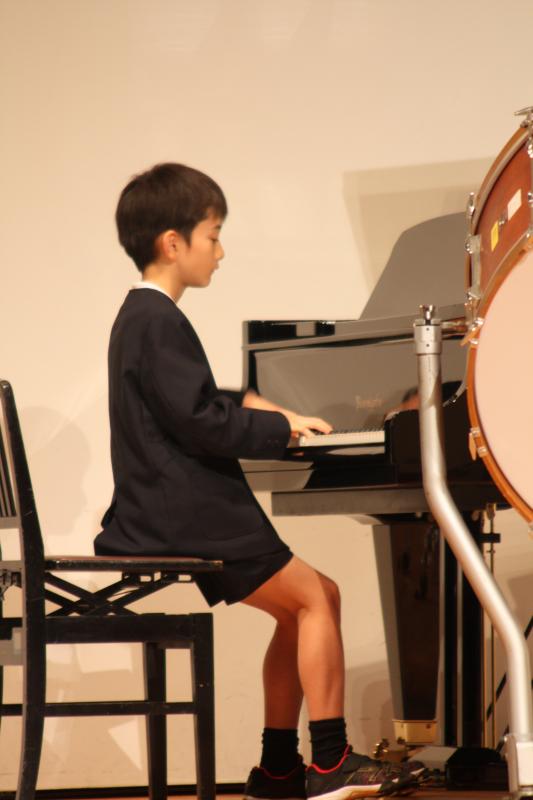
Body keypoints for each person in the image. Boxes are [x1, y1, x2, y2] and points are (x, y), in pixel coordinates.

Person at [95, 163, 422, 800]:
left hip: (169, 506)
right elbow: (197, 421)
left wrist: (252, 404)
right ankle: (330, 762)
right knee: (318, 598)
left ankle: (277, 771)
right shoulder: (156, 318)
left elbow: (182, 402)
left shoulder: (142, 317)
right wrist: (278, 427)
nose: (220, 252)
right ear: (173, 243)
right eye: (213, 236)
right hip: (183, 512)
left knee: (300, 609)